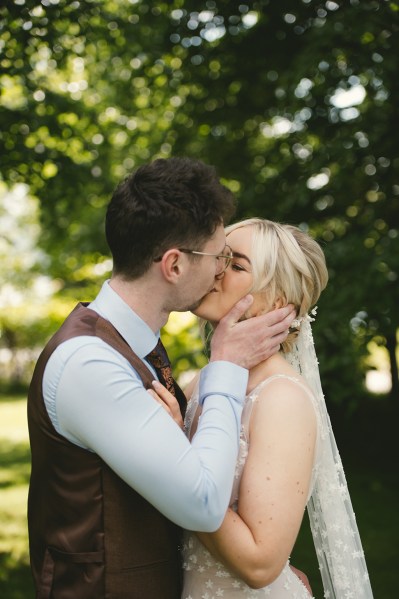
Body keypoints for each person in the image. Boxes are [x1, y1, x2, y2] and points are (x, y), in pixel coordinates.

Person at [27, 159, 296, 599]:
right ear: (173, 265)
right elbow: (204, 504)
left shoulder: (139, 348)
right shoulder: (90, 363)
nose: (219, 271)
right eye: (218, 257)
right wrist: (226, 363)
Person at [154, 217, 374, 598]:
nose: (216, 271)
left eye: (236, 265)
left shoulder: (282, 399)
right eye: (219, 259)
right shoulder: (204, 381)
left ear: (278, 302)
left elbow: (259, 563)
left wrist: (173, 455)